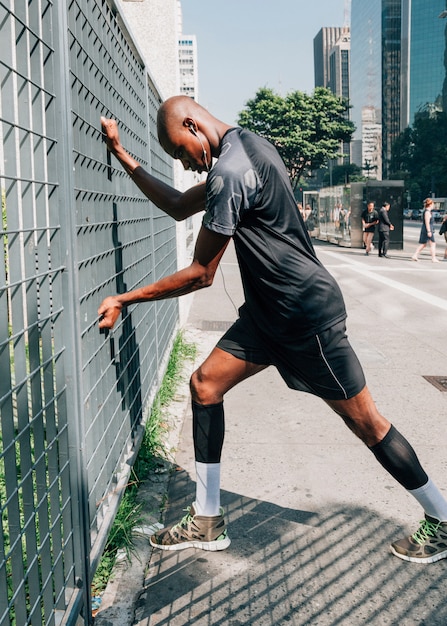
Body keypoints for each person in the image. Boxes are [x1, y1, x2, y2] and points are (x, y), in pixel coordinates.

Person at [99, 96, 447, 563]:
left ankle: (441, 519)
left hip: (304, 316)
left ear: (191, 123)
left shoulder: (230, 171)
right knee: (204, 385)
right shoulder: (246, 147)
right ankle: (207, 519)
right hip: (267, 317)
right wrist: (123, 156)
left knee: (366, 423)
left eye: (182, 152)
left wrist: (125, 298)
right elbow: (181, 205)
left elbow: (202, 272)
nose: (185, 164)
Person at [412, 198, 439, 262]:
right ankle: (433, 258)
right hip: (427, 230)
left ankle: (415, 255)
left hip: (427, 229)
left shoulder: (428, 211)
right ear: (430, 204)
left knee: (423, 244)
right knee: (432, 244)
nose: (433, 205)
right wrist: (429, 231)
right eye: (433, 204)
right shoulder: (427, 212)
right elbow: (427, 222)